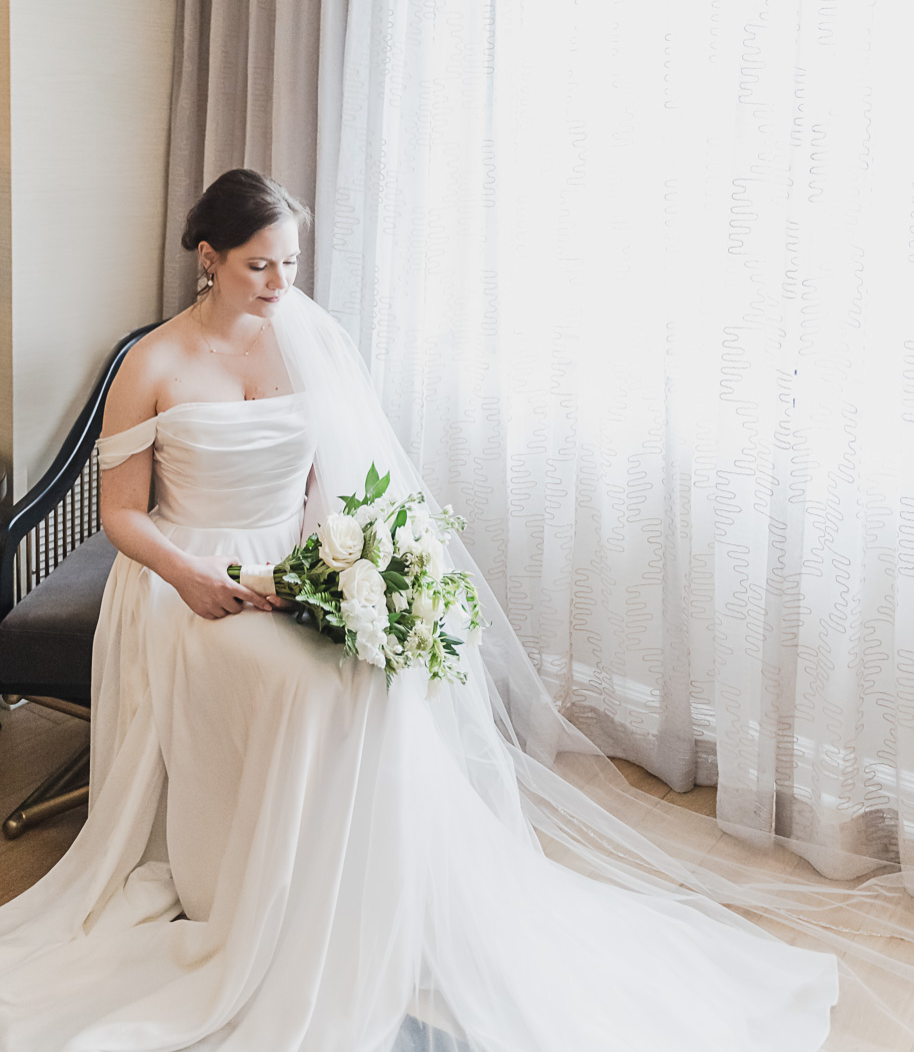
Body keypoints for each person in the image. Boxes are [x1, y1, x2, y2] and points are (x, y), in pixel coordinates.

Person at [2, 166, 907, 1052]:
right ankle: (249, 890)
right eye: (260, 265)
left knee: (379, 674)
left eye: (292, 264)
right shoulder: (153, 361)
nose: (282, 284)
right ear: (209, 257)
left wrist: (345, 570)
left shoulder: (306, 338)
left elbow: (327, 480)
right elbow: (122, 513)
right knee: (313, 690)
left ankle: (362, 886)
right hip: (183, 583)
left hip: (294, 570)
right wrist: (194, 578)